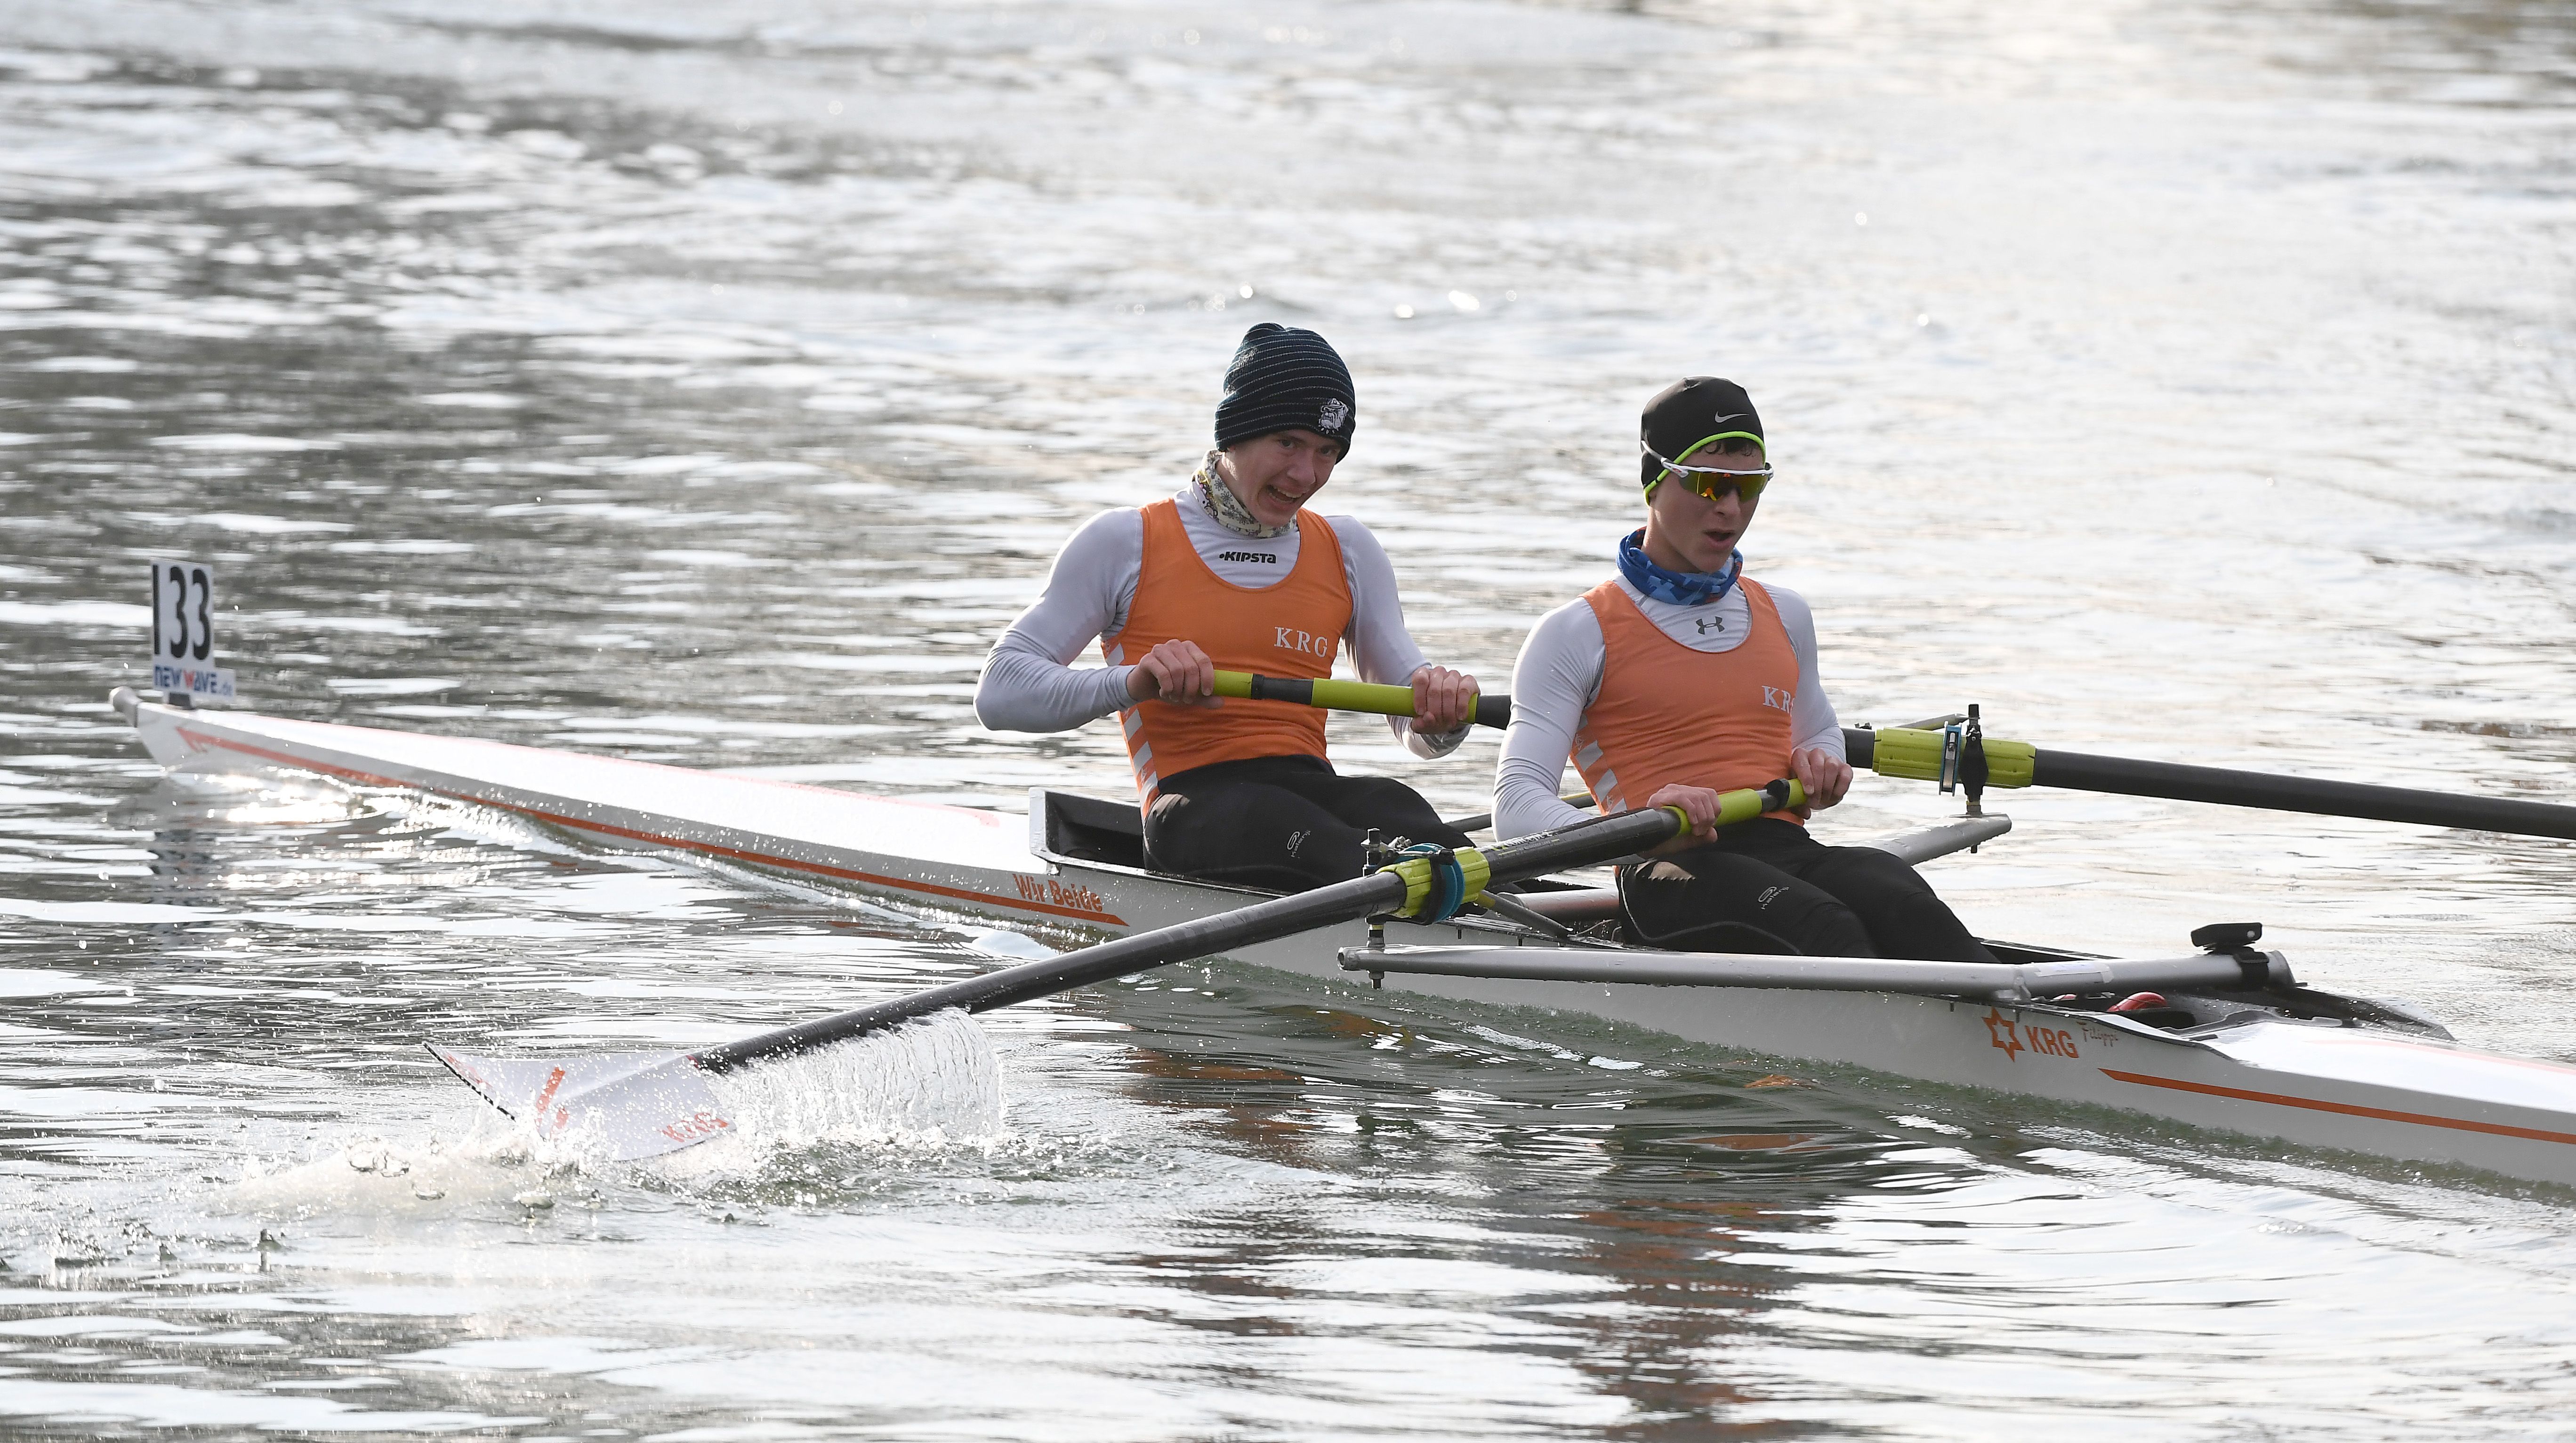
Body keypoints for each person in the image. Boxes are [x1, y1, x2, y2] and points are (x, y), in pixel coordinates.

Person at [1493, 377, 1996, 962]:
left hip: (1785, 847)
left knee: (1903, 899)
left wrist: (1823, 760)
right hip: (1668, 870)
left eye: (1749, 486)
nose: (1730, 508)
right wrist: (1646, 827)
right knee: (1827, 928)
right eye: (1709, 483)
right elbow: (1516, 809)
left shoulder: (1786, 613)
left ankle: (2045, 1010)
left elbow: (1818, 729)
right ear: (1655, 478)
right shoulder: (1575, 632)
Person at [977, 323, 1480, 891]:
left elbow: (1415, 730)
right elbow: (999, 691)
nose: (1306, 475)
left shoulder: (1349, 550)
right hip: (1193, 806)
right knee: (1302, 828)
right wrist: (1134, 682)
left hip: (1311, 797)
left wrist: (1443, 715)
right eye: (1288, 443)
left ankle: (1509, 907)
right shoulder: (1126, 542)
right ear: (1236, 433)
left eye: (1327, 452)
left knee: (1398, 805)